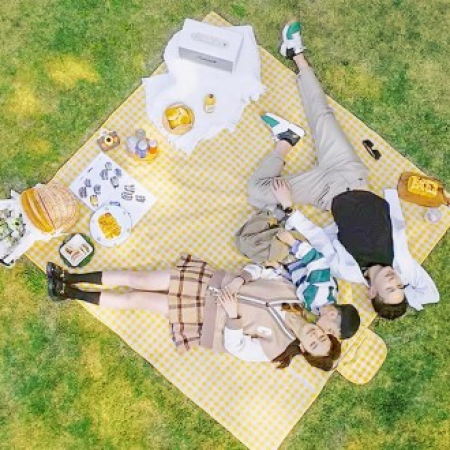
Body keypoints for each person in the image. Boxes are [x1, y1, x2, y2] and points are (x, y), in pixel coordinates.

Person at [248, 21, 439, 320]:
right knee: (322, 115)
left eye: (389, 288)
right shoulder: (402, 264)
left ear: (371, 292)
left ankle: (286, 141)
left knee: (257, 193)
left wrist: (288, 207)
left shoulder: (345, 269)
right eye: (400, 286)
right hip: (350, 173)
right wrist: (405, 298)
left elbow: (318, 239)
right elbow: (430, 294)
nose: (394, 281)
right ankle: (295, 52)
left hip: (325, 193)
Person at [46, 256, 341, 371]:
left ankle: (69, 293)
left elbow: (236, 347)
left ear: (305, 350)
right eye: (322, 336)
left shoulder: (275, 348)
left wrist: (233, 315)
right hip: (210, 283)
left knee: (138, 298)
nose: (314, 336)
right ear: (324, 330)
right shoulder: (294, 295)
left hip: (202, 316)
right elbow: (264, 269)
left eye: (313, 344)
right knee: (140, 278)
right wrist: (241, 279)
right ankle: (70, 277)